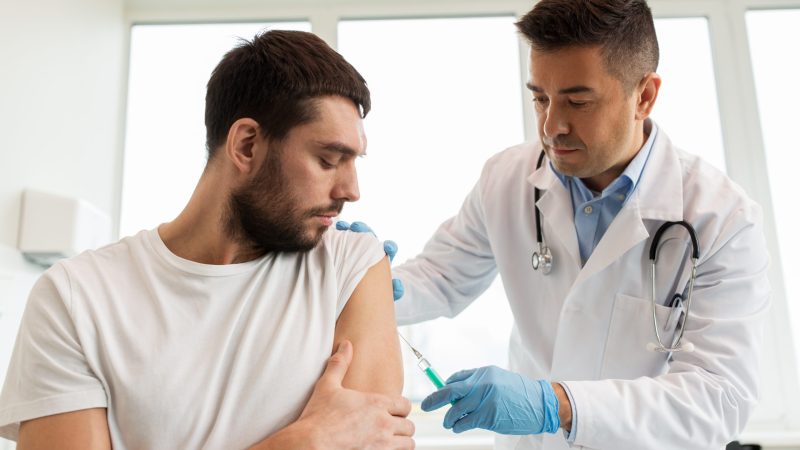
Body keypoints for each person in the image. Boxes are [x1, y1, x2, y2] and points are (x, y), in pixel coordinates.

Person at [340, 0, 770, 448]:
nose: (551, 126)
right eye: (540, 98)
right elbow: (441, 277)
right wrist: (364, 282)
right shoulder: (506, 178)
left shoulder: (722, 219)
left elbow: (718, 399)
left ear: (644, 96)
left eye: (578, 102)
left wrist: (556, 405)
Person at [0, 30, 415, 450]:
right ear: (247, 145)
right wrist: (302, 442)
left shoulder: (350, 266)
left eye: (354, 162)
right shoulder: (77, 297)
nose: (351, 190)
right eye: (328, 160)